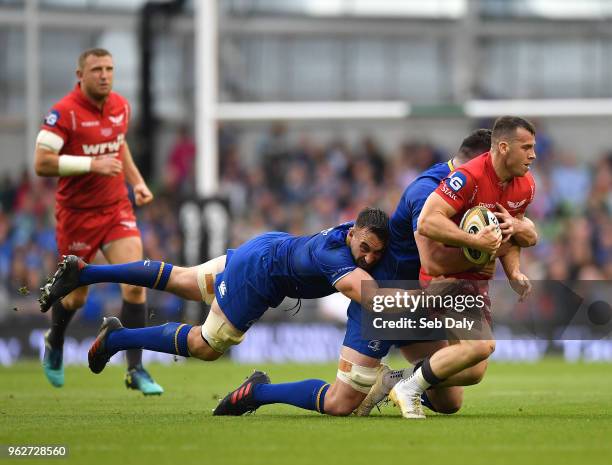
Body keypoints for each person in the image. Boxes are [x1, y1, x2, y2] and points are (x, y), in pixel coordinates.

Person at [213, 128, 536, 417]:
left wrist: (516, 234)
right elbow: (434, 264)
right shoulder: (428, 191)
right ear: (485, 158)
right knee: (340, 403)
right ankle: (258, 391)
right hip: (387, 298)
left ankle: (395, 380)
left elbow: (521, 231)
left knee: (451, 398)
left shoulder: (478, 191)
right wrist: (483, 255)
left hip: (421, 297)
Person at [39, 208, 391, 407]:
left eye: (376, 252)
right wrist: (431, 299)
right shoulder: (336, 256)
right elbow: (370, 296)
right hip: (258, 276)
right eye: (365, 248)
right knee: (205, 347)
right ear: (352, 234)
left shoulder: (349, 232)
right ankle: (116, 338)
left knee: (183, 281)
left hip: (266, 247)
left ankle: (87, 272)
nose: (370, 257)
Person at [386, 115, 538, 419]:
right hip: (439, 279)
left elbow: (511, 236)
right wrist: (477, 244)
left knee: (472, 373)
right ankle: (408, 388)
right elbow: (429, 222)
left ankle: (394, 381)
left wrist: (514, 272)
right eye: (527, 147)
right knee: (481, 347)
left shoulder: (524, 185)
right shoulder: (465, 178)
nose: (533, 155)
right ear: (503, 147)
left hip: (473, 281)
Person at [34, 48, 162, 394]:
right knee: (75, 298)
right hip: (77, 216)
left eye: (109, 68)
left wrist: (136, 181)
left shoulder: (121, 106)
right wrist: (92, 165)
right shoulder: (64, 113)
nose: (104, 75)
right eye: (96, 70)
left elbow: (118, 147)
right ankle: (55, 337)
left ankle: (134, 369)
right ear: (80, 75)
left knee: (136, 280)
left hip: (115, 207)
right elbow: (42, 162)